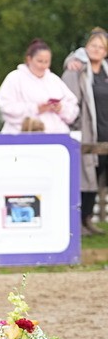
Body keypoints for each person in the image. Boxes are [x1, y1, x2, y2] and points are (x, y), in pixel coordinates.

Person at [62, 28, 108, 236]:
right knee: (84, 176)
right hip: (87, 130)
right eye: (93, 46)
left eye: (101, 47)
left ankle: (88, 219)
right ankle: (78, 221)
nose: (97, 50)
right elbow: (70, 99)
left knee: (98, 176)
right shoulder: (77, 68)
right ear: (86, 48)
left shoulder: (106, 71)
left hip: (105, 131)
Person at [0, 39, 78, 134]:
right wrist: (35, 109)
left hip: (55, 136)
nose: (43, 66)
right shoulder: (15, 78)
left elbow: (73, 106)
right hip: (23, 134)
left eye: (46, 62)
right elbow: (4, 107)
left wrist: (61, 108)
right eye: (40, 61)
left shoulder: (54, 80)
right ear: (29, 59)